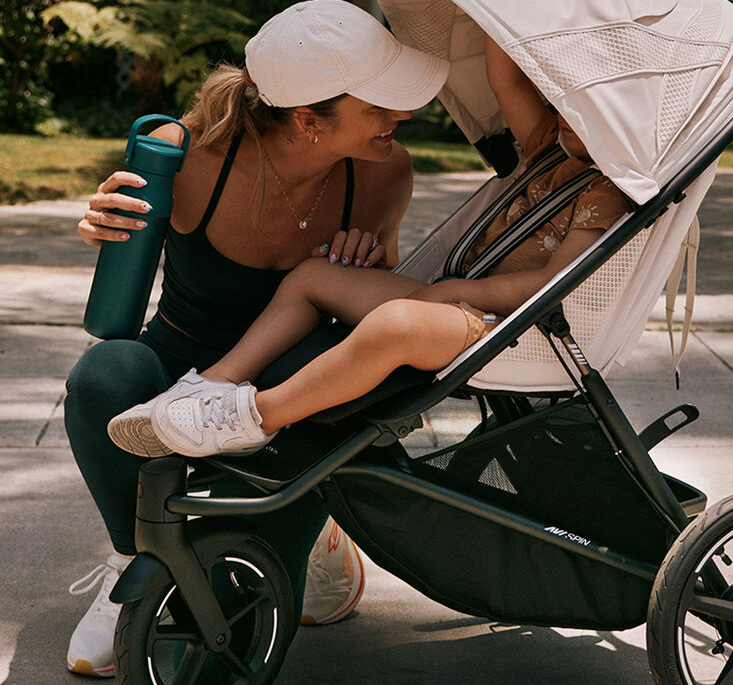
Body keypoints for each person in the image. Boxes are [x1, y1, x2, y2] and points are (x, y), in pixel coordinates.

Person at [60, 0, 446, 679]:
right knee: (103, 378)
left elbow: (373, 294)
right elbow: (118, 253)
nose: (402, 116)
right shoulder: (188, 155)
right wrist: (101, 224)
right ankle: (133, 560)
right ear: (308, 120)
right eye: (379, 104)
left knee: (332, 397)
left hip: (289, 377)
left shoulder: (384, 170)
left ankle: (301, 539)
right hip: (183, 356)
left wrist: (365, 264)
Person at [107, 36, 629, 459]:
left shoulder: (606, 189)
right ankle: (211, 385)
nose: (566, 112)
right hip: (453, 301)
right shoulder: (551, 145)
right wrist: (505, 1)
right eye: (562, 98)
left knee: (395, 325)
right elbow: (505, 78)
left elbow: (557, 284)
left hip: (514, 325)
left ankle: (252, 417)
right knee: (313, 277)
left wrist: (454, 293)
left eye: (586, 108)